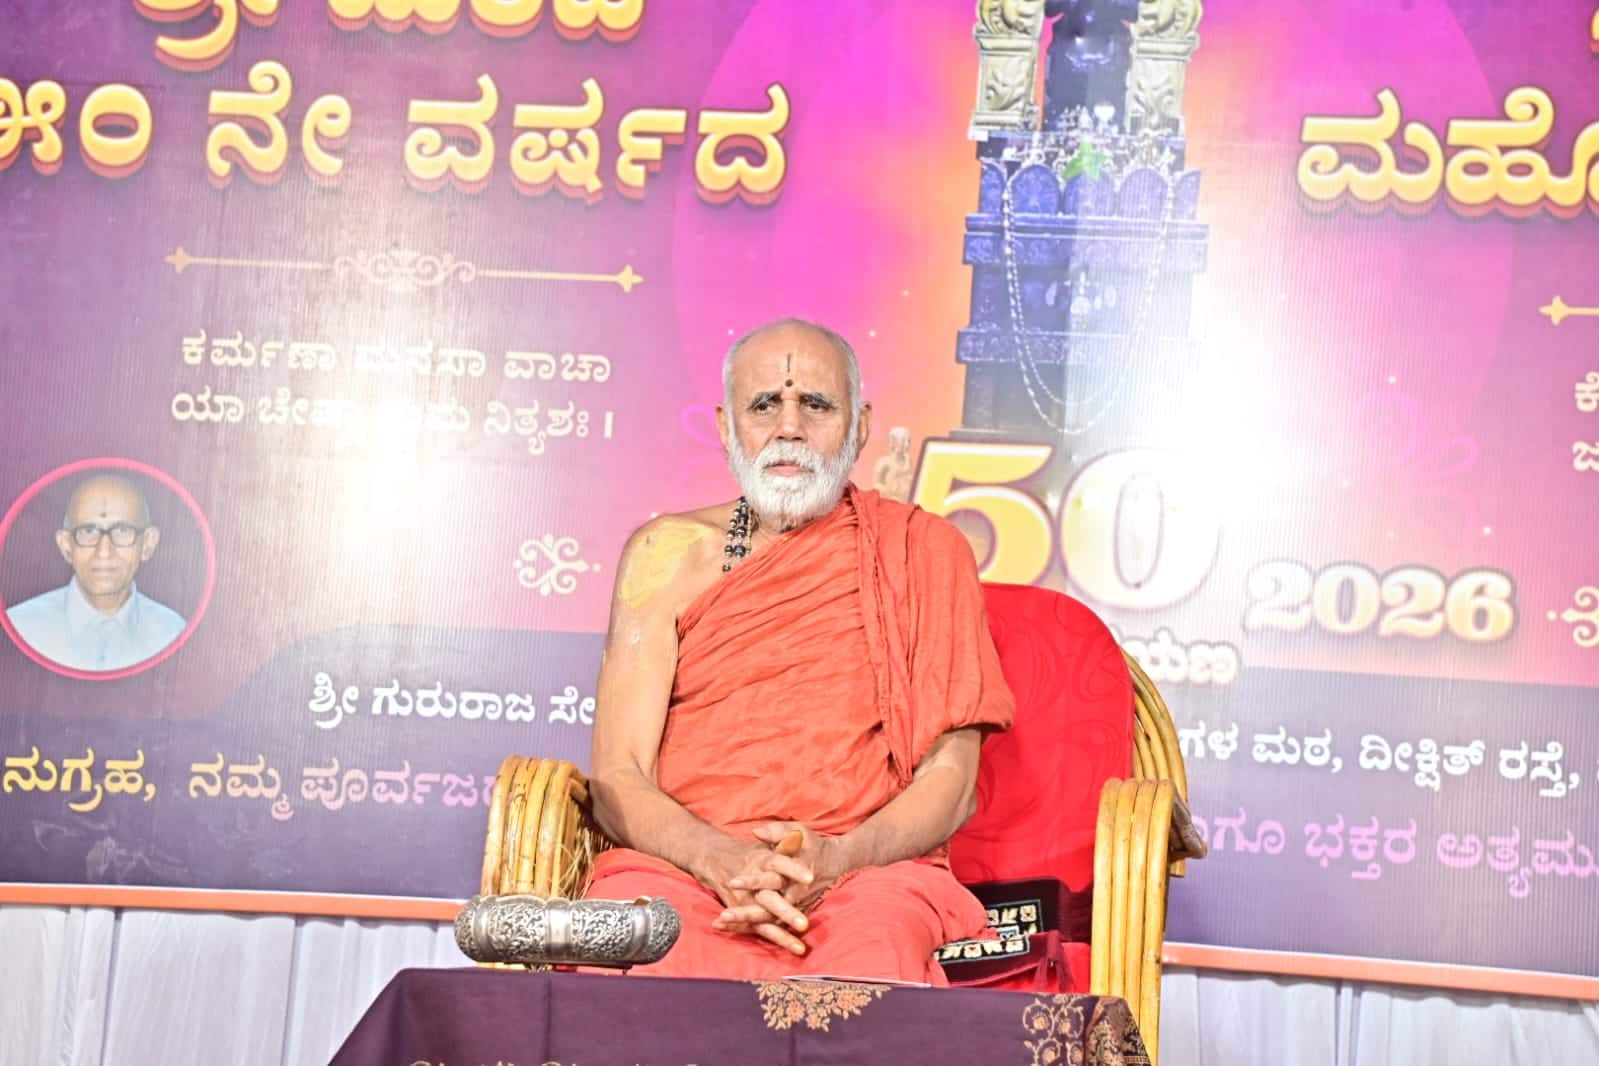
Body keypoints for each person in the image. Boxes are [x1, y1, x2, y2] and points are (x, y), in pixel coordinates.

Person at [585, 318, 1015, 983]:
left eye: (815, 404)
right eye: (764, 405)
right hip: (683, 868)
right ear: (727, 427)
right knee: (652, 950)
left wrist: (837, 860)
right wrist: (718, 859)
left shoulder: (924, 551)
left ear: (859, 426)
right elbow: (619, 774)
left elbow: (951, 783)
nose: (789, 428)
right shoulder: (665, 554)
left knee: (873, 955)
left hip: (865, 873)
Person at [6, 474, 187, 672]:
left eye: (122, 530)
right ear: (66, 546)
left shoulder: (173, 634)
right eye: (88, 531)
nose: (104, 552)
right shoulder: (18, 630)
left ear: (148, 544)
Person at [872, 425, 914, 503]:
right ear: (894, 442)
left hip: (905, 502)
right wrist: (888, 494)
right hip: (889, 502)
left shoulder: (908, 461)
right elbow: (877, 484)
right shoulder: (884, 462)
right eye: (903, 441)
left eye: (908, 441)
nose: (907, 445)